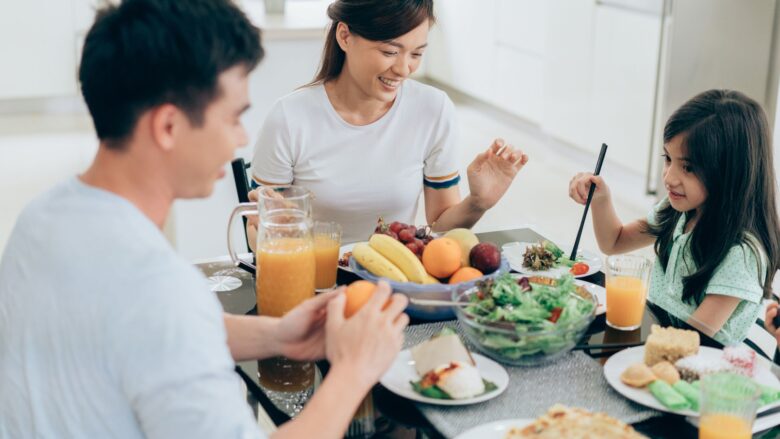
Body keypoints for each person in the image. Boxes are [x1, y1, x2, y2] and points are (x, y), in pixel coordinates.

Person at [0, 1, 408, 438]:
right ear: (169, 127)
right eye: (232, 117)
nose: (241, 138)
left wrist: (277, 335)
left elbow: (145, 331)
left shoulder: (42, 218)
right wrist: (353, 372)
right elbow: (165, 317)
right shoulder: (160, 290)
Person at [249, 0, 528, 244]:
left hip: (395, 277)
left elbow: (440, 231)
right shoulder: (289, 117)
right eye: (390, 52)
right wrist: (274, 234)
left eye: (416, 54)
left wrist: (477, 203)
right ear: (345, 36)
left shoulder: (433, 109)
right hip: (312, 278)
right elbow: (256, 230)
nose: (403, 68)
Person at [568, 89, 780, 345]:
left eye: (687, 167)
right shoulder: (675, 212)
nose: (669, 177)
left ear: (730, 174)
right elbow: (614, 243)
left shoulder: (741, 254)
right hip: (656, 339)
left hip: (693, 364)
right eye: (668, 158)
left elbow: (691, 340)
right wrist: (601, 200)